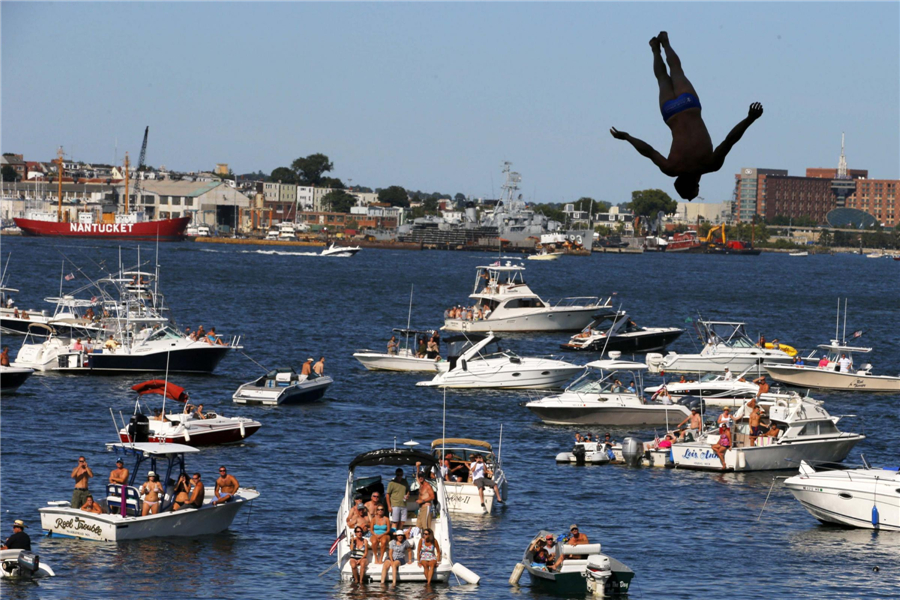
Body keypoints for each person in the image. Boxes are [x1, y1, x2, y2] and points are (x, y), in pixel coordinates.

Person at [610, 32, 763, 200]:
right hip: (671, 112)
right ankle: (657, 48)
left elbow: (730, 139)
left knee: (675, 71)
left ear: (696, 184)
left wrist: (750, 119)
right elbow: (648, 151)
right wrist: (627, 137)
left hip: (689, 106)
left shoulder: (711, 164)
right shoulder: (671, 169)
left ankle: (666, 43)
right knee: (663, 77)